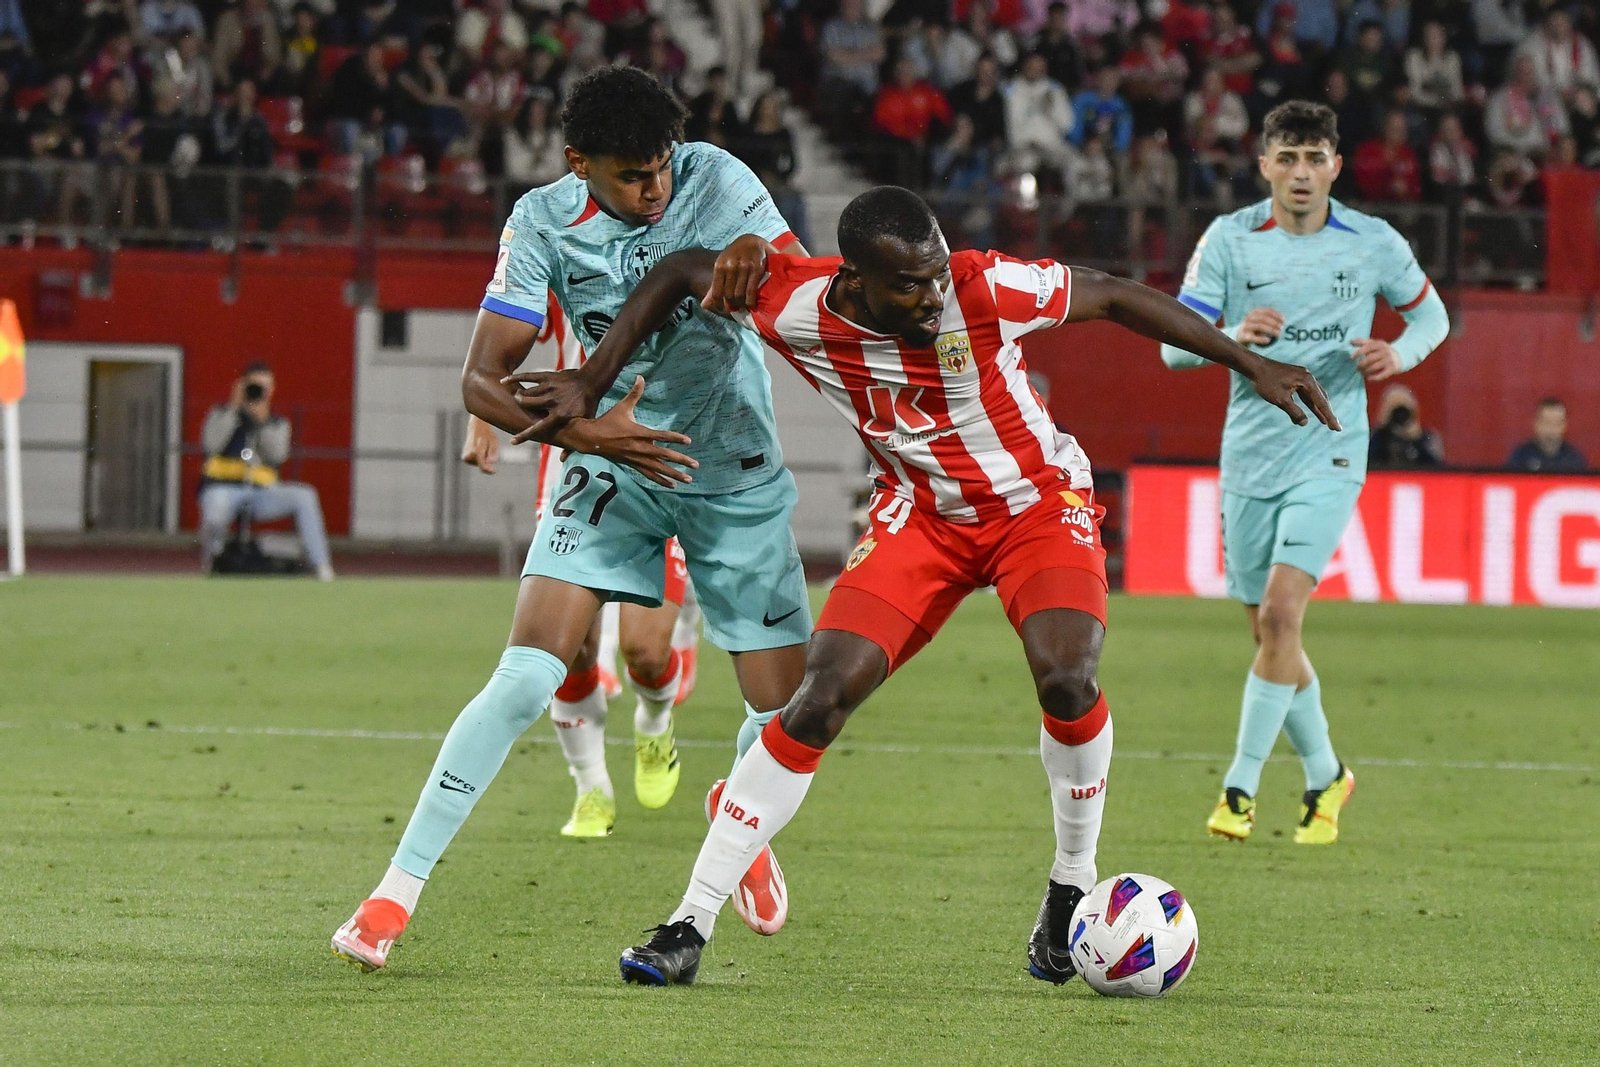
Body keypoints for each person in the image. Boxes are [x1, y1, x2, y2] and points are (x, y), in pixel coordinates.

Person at [555, 185, 1336, 986]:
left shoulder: (982, 285)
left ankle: (1071, 881)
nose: (934, 296)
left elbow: (1112, 295)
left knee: (1067, 676)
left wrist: (1248, 362)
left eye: (935, 275)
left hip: (1036, 502)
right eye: (910, 285)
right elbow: (681, 271)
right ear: (854, 280)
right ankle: (690, 920)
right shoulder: (794, 304)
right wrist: (590, 380)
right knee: (818, 699)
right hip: (921, 517)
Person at [331, 66, 813, 972]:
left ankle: (737, 815)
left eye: (663, 166)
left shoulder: (718, 177)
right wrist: (599, 435)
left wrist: (764, 256)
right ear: (578, 162)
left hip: (733, 467)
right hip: (609, 458)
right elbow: (480, 380)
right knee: (523, 673)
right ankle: (393, 894)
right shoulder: (540, 221)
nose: (657, 188)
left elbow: (788, 281)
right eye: (634, 175)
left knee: (788, 709)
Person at [1161, 100, 1449, 845]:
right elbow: (1172, 350)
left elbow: (1432, 318)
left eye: (1314, 157)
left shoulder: (1373, 242)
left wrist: (1400, 355)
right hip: (1251, 457)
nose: (1300, 173)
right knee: (1269, 633)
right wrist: (1231, 337)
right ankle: (1327, 776)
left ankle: (1239, 788)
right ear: (1263, 164)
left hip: (1331, 446)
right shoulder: (1230, 241)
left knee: (1284, 616)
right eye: (1286, 157)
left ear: (1335, 166)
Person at [459, 298, 699, 839]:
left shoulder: (690, 241)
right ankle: (591, 787)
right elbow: (500, 339)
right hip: (576, 469)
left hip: (662, 463)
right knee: (569, 652)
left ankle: (655, 721)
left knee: (645, 651)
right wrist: (481, 419)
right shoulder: (568, 237)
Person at [198, 362, 334, 581]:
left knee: (305, 496)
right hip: (223, 487)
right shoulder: (220, 413)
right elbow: (211, 445)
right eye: (254, 386)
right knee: (216, 508)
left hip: (261, 491)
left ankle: (321, 566)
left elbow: (278, 455)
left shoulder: (277, 423)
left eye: (265, 386)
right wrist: (233, 409)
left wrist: (261, 421)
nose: (259, 391)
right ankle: (213, 563)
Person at [1368, 382, 1443, 467]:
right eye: (1395, 411)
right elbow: (1369, 461)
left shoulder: (1429, 438)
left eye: (1403, 410)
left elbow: (1437, 468)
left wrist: (1417, 440)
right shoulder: (1375, 437)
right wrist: (1383, 431)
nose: (1400, 415)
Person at [1507, 397, 1587, 472]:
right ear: (1536, 424)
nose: (1551, 429)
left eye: (1556, 423)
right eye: (1546, 422)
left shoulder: (1574, 459)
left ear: (1564, 426)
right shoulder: (1520, 457)